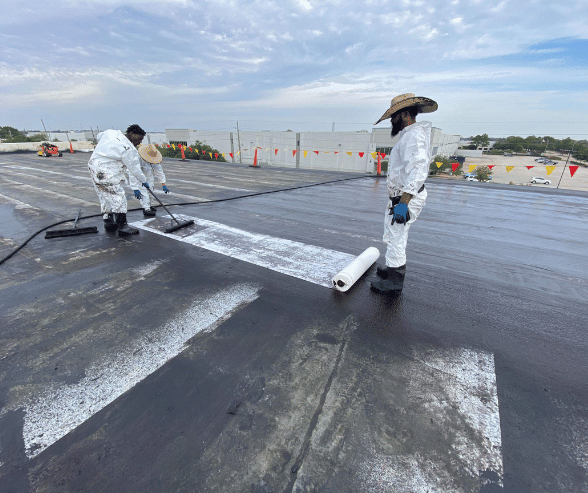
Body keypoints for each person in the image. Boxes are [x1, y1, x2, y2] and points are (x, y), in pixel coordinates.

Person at [370, 93, 438, 294]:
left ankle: (395, 281)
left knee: (396, 236)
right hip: (401, 197)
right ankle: (393, 269)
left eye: (394, 115)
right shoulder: (409, 135)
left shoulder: (413, 136)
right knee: (394, 235)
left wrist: (404, 203)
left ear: (405, 114)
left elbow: (418, 170)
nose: (392, 120)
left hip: (405, 199)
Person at [87, 124, 150, 235]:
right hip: (107, 172)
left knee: (105, 196)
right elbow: (135, 170)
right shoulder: (128, 148)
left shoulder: (111, 132)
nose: (139, 143)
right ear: (131, 134)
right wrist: (143, 181)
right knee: (118, 196)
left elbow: (99, 136)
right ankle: (122, 226)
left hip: (94, 166)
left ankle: (108, 221)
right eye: (139, 139)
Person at [130, 144, 169, 217]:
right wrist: (135, 188)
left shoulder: (154, 159)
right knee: (144, 194)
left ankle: (149, 206)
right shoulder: (138, 159)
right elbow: (133, 173)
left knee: (151, 192)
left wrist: (163, 184)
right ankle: (146, 209)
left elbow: (159, 171)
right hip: (139, 178)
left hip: (149, 177)